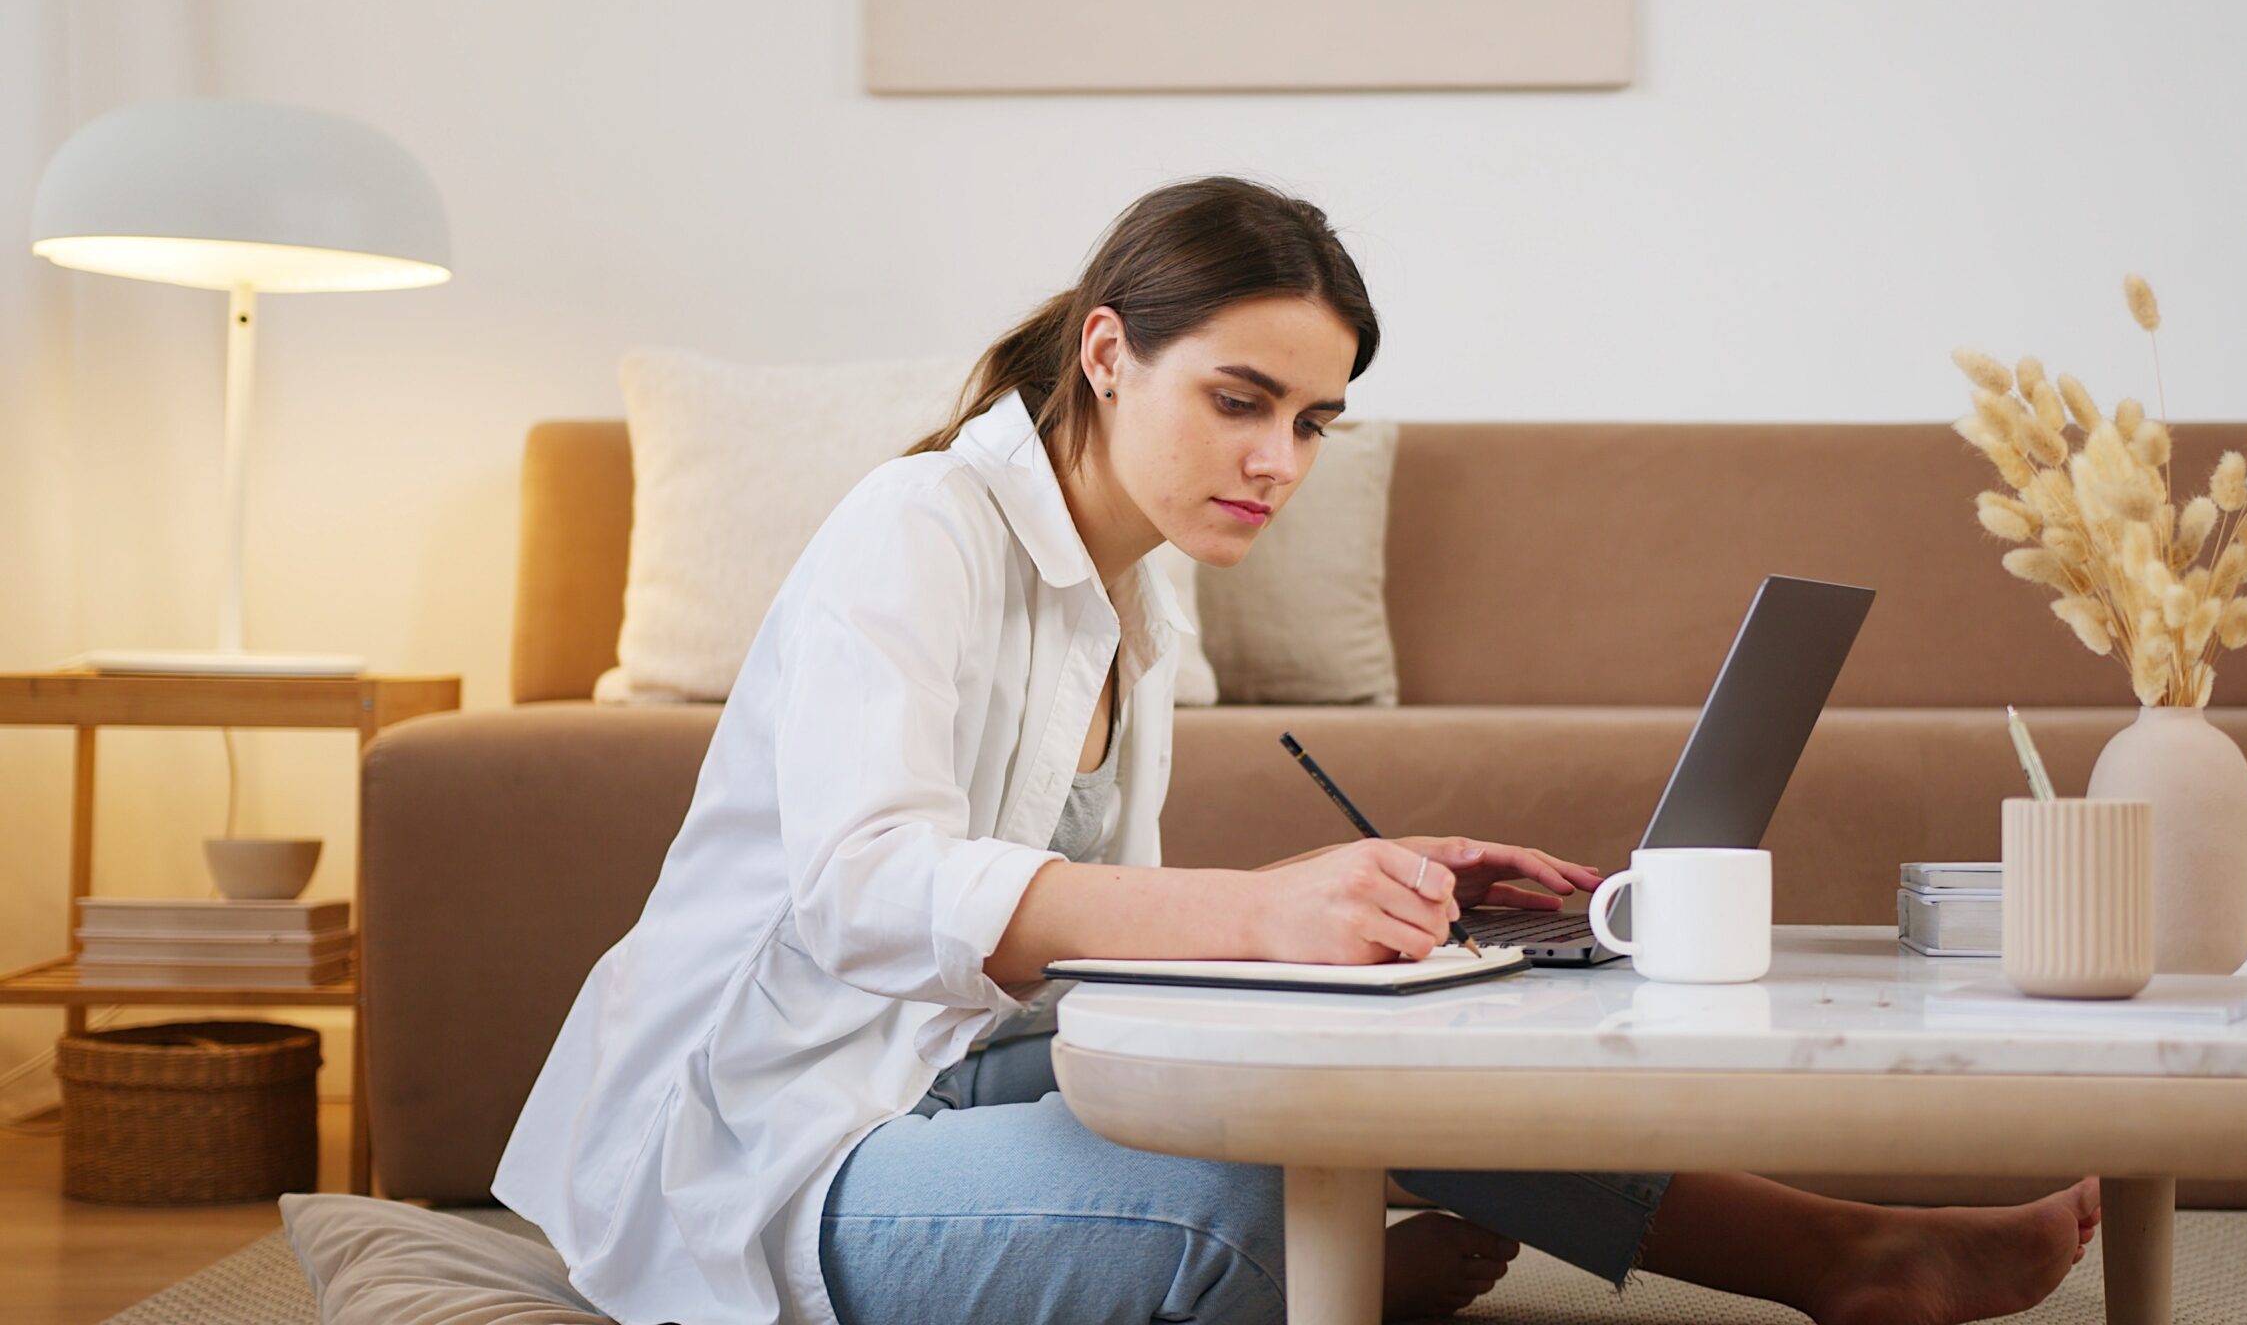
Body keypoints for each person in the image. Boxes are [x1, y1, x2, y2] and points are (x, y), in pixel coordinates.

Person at [494, 175, 2100, 1325]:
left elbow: (1073, 936)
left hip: (937, 1070)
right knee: (1252, 1200)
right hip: (763, 1148)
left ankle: (1842, 1256)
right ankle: (1335, 1283)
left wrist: (1344, 906)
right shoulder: (918, 528)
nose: (1279, 461)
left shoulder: (1137, 592)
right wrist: (1263, 916)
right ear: (1110, 353)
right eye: (1242, 401)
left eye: (1313, 423)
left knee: (1388, 1045)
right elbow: (866, 891)